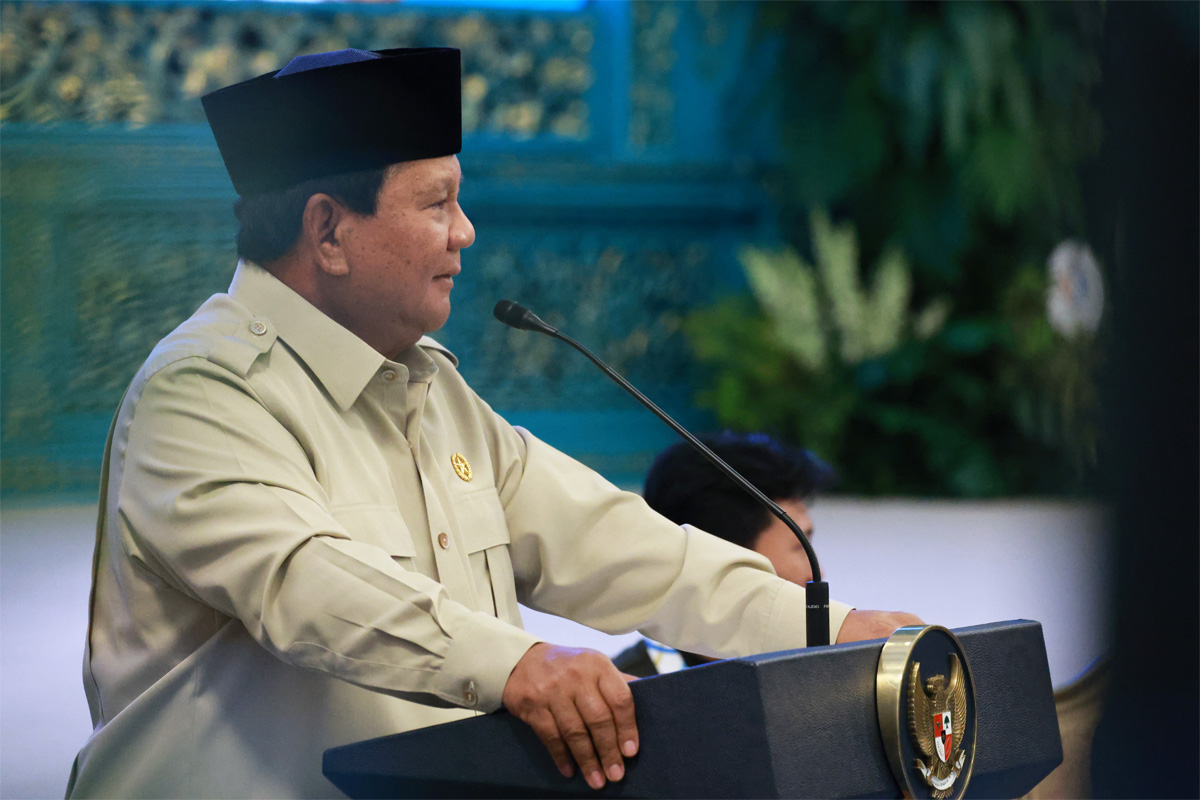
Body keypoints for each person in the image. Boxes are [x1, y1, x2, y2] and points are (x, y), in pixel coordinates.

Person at [67, 47, 920, 799]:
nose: (465, 233)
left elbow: (616, 545)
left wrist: (834, 630)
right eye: (437, 203)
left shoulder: (432, 390)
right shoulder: (203, 391)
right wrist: (518, 666)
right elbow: (306, 584)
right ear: (327, 230)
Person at [615, 432, 836, 676]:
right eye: (799, 547)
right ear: (725, 558)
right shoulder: (623, 693)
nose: (817, 572)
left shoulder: (816, 679)